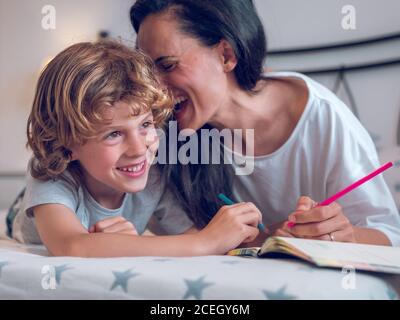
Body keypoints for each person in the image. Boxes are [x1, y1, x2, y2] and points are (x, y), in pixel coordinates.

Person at [130, 0, 400, 246]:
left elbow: (390, 236)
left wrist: (346, 235)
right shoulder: (161, 135)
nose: (153, 89)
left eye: (166, 66)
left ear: (226, 55)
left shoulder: (323, 117)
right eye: (146, 72)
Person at [9, 40, 263, 257]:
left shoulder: (153, 173)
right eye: (114, 133)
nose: (138, 148)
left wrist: (250, 236)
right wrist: (205, 242)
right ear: (67, 144)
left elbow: (188, 233)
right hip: (23, 221)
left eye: (145, 124)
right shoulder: (52, 172)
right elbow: (72, 245)